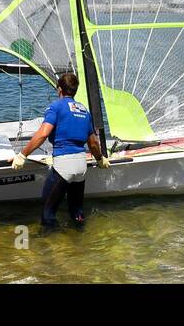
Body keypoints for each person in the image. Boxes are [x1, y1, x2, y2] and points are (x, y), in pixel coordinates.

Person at [10, 72, 110, 229]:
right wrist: (100, 159)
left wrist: (22, 155)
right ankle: (81, 244)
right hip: (81, 167)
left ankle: (53, 249)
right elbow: (93, 143)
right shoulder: (84, 110)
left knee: (47, 213)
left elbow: (43, 134)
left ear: (59, 89)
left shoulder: (56, 107)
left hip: (64, 165)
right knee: (76, 212)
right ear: (75, 90)